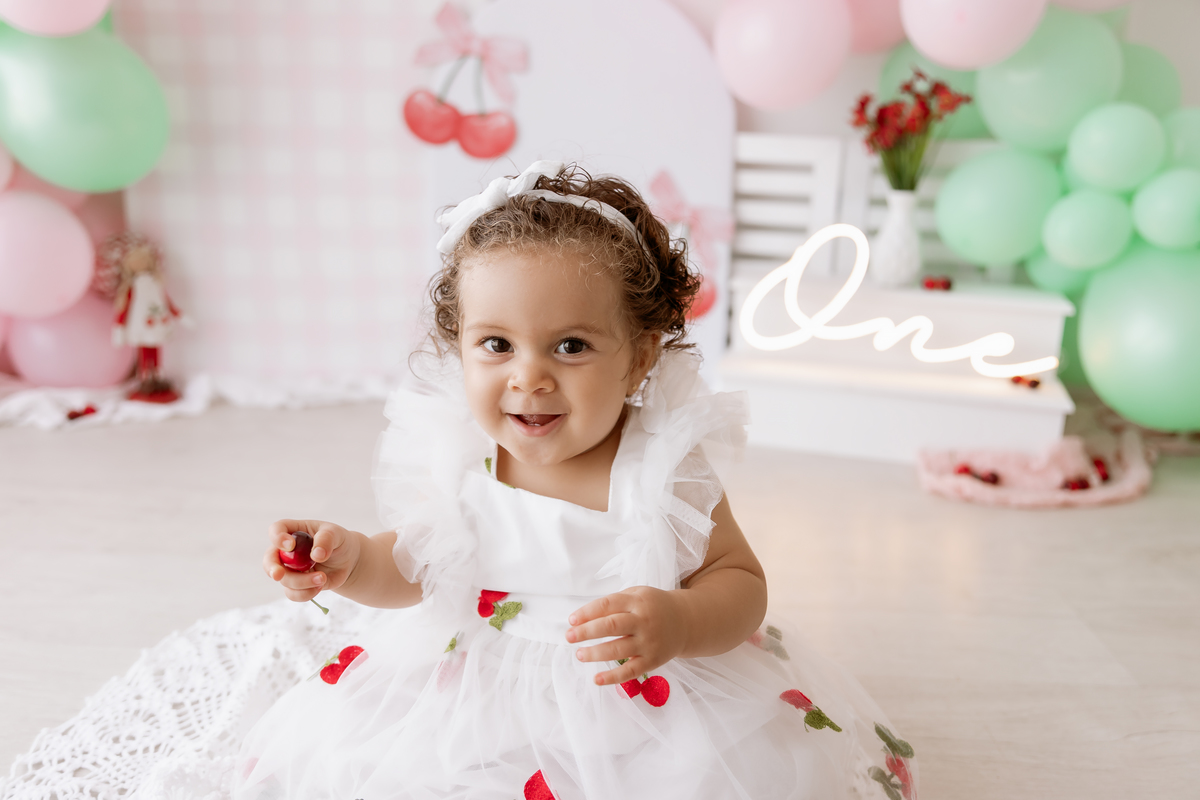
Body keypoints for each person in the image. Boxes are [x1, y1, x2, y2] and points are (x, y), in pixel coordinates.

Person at [235, 162, 918, 800]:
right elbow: (416, 568)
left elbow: (740, 582)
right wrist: (353, 561)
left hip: (631, 690)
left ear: (638, 358)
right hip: (477, 684)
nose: (529, 377)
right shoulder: (462, 457)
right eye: (497, 344)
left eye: (571, 346)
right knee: (394, 767)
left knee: (710, 774)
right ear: (459, 343)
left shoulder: (660, 469)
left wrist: (680, 619)